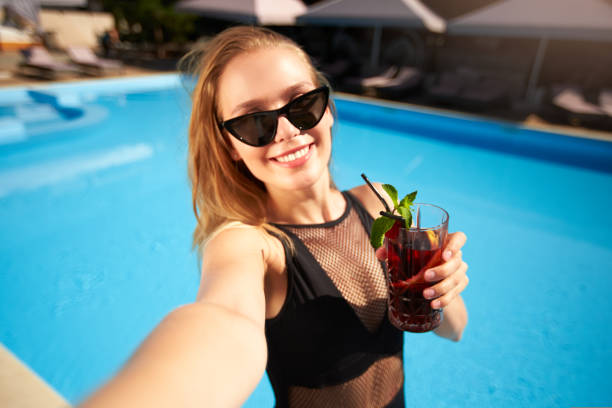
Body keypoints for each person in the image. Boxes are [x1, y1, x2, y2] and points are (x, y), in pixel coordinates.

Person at [78, 26, 468, 408]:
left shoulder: (379, 202)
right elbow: (222, 321)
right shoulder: (249, 245)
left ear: (328, 109)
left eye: (302, 105)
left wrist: (439, 286)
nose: (286, 131)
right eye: (254, 122)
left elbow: (456, 329)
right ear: (230, 146)